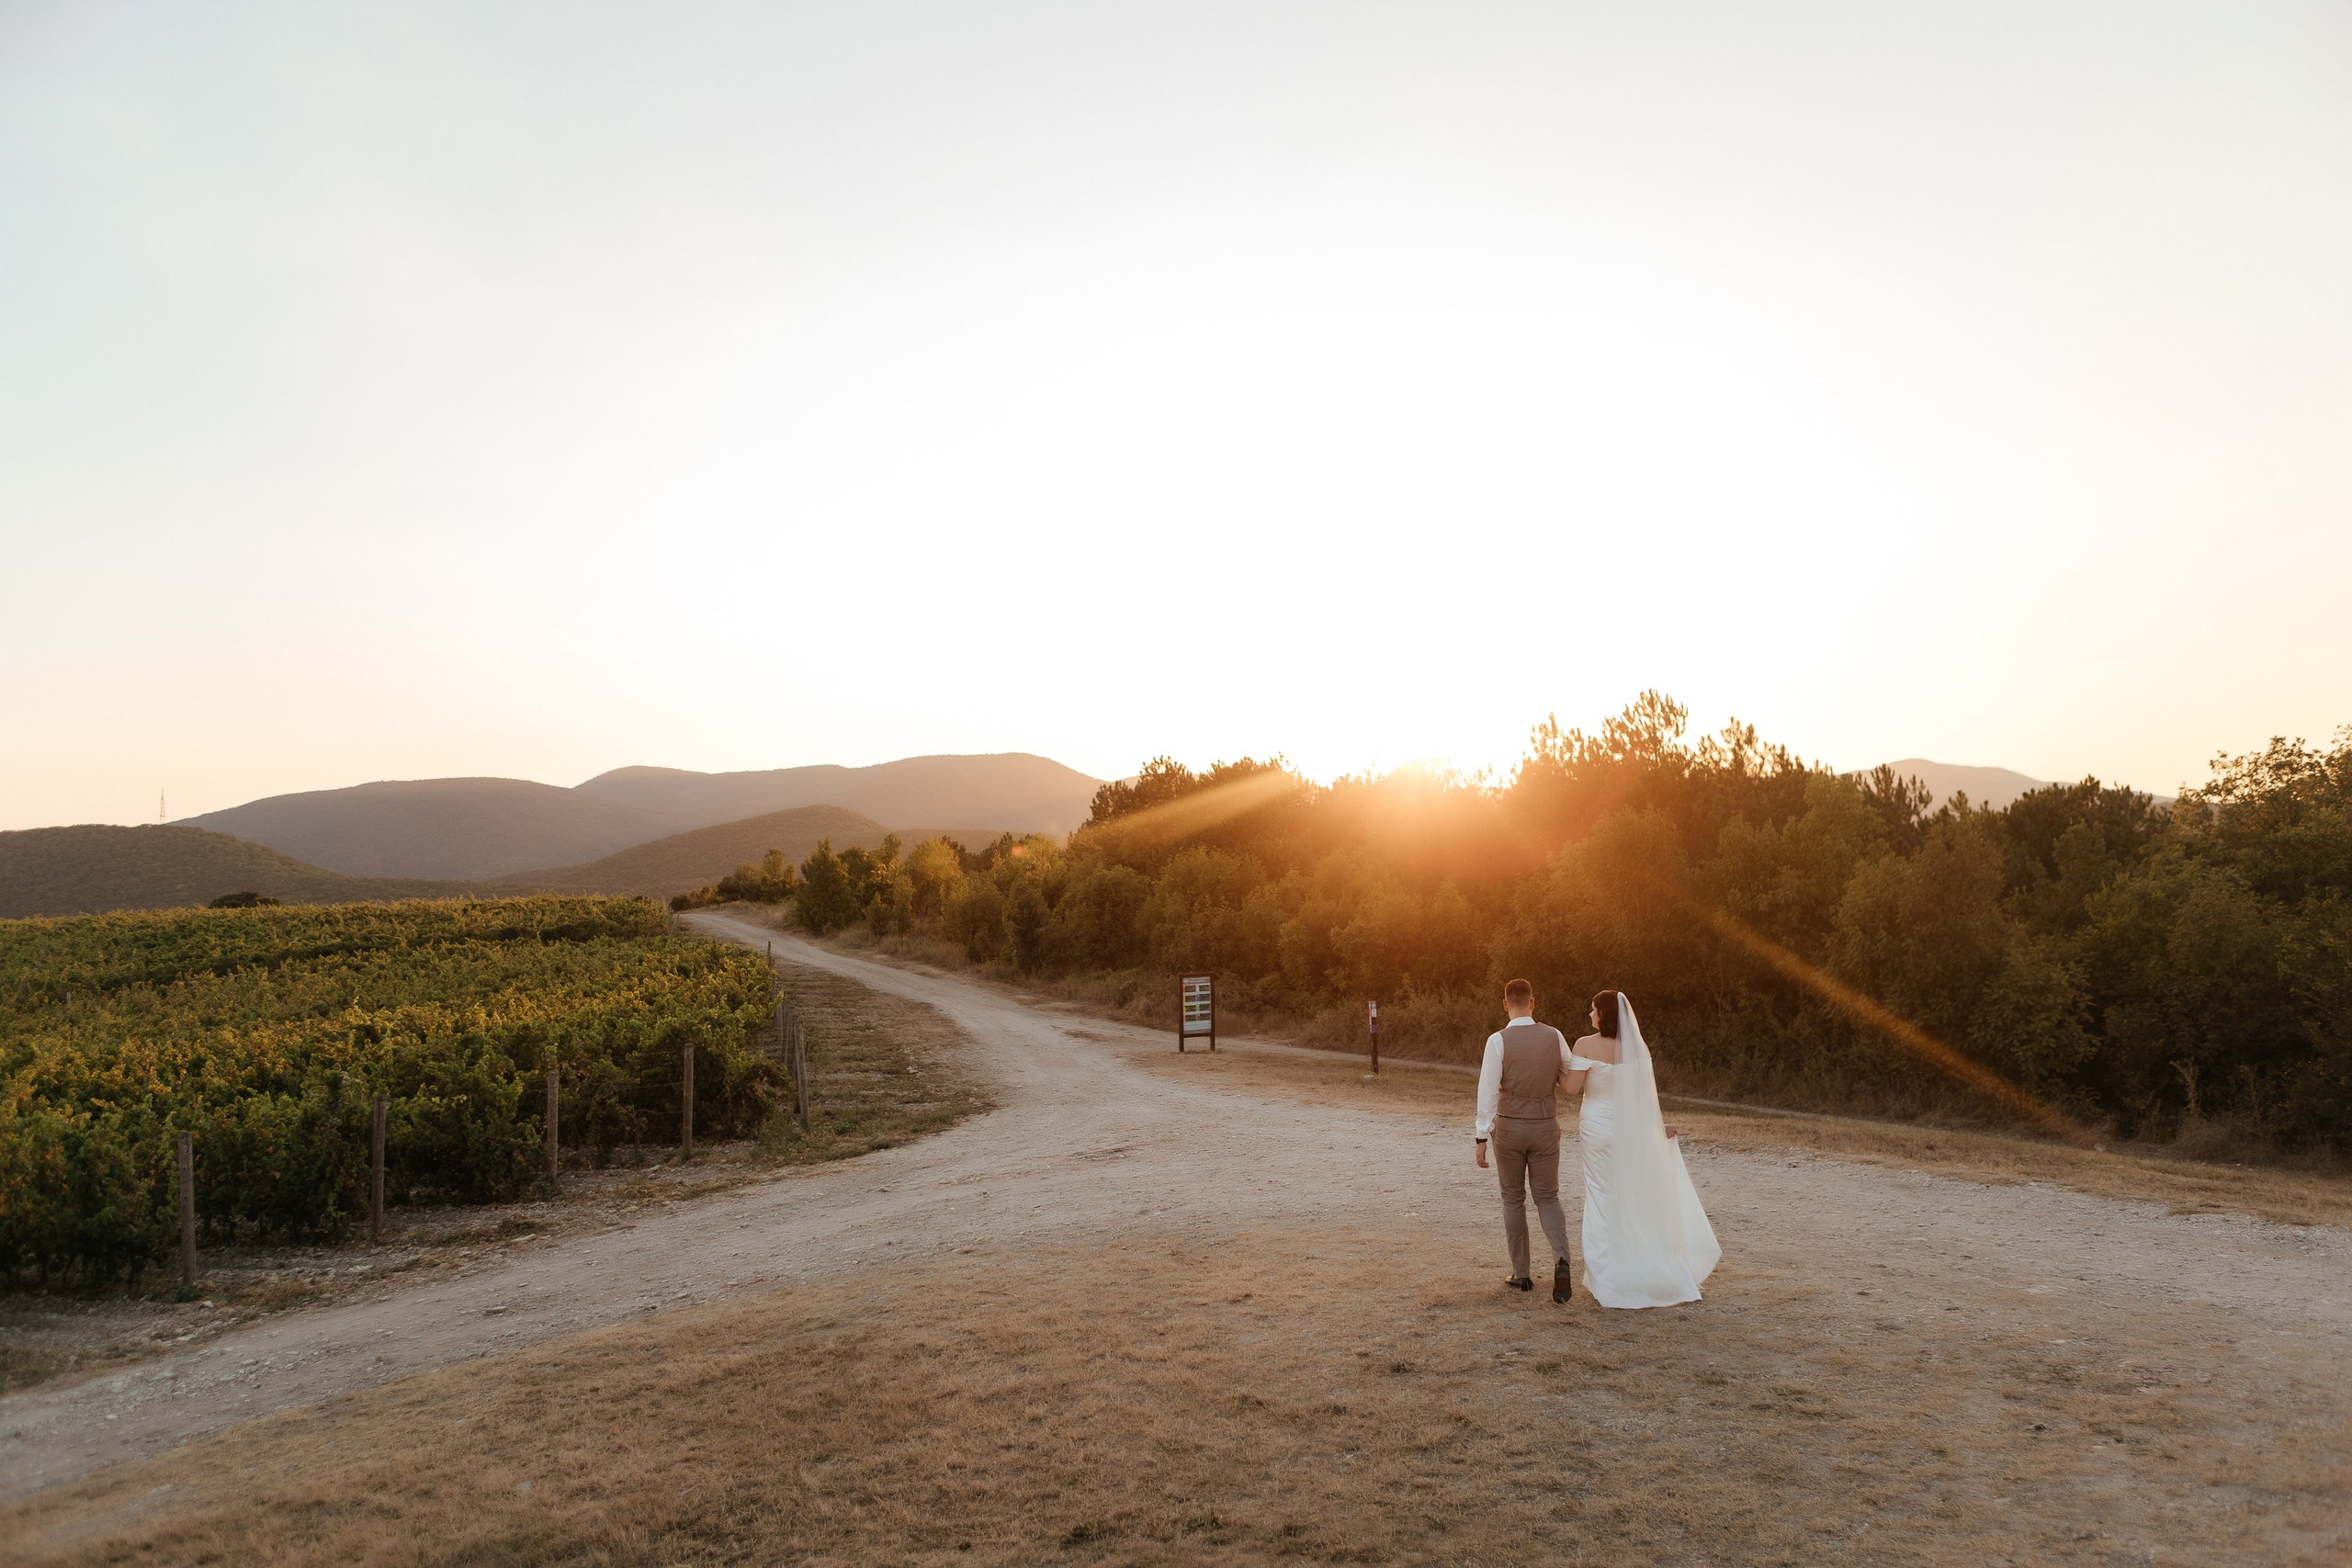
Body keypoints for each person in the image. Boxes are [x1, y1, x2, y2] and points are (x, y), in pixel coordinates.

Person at [1561, 989, 1721, 1309]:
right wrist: (1656, 1128)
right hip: (1628, 1130)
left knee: (1601, 1195)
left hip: (1597, 1129)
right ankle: (1639, 1267)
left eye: (1593, 1009)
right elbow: (1643, 1097)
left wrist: (1557, 1067)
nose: (1590, 1014)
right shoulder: (1638, 1048)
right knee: (1629, 1194)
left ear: (1603, 1014)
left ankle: (1609, 1277)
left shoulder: (1584, 1044)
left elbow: (1571, 1088)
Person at [1472, 978, 1577, 1303]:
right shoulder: (1555, 1036)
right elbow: (1571, 1075)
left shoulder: (1497, 1041)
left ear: (1506, 1004)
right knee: (1548, 1197)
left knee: (1513, 1199)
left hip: (1510, 1128)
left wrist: (1481, 1135)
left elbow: (1488, 1091)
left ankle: (1522, 1274)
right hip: (1545, 1126)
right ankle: (1562, 1259)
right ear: (1533, 1002)